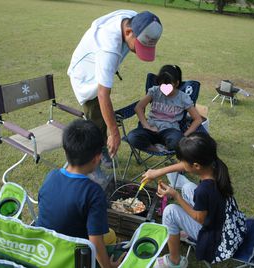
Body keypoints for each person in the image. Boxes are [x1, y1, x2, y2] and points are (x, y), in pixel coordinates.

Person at [67, 10, 163, 166]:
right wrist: (115, 133)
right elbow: (102, 94)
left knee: (106, 116)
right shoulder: (109, 48)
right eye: (139, 46)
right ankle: (94, 158)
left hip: (101, 67)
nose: (138, 51)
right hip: (86, 77)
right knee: (95, 120)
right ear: (128, 32)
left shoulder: (133, 18)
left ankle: (102, 146)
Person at [142, 132, 246, 268]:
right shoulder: (215, 165)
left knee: (170, 211)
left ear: (196, 166)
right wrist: (158, 172)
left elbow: (200, 218)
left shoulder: (204, 190)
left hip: (217, 239)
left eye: (183, 162)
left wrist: (176, 196)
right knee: (188, 187)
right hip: (228, 222)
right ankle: (187, 229)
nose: (181, 164)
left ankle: (174, 262)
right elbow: (186, 166)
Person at [36, 119, 125, 268]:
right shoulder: (94, 192)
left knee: (109, 235)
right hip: (73, 257)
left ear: (66, 152)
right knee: (110, 236)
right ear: (97, 159)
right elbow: (95, 241)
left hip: (45, 248)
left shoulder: (51, 176)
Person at [127, 64, 202, 152]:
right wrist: (146, 126)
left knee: (177, 141)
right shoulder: (155, 91)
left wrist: (185, 136)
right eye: (162, 86)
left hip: (170, 131)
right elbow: (138, 107)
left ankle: (166, 147)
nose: (165, 90)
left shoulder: (183, 98)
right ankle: (157, 149)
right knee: (132, 137)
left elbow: (198, 119)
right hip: (151, 128)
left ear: (177, 83)